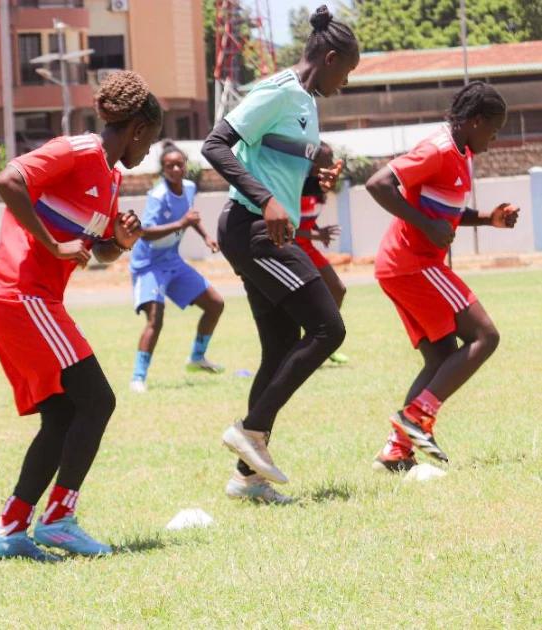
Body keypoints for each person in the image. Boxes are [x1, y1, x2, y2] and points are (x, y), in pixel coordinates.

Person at [0, 70, 160, 561]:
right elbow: (8, 180)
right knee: (98, 401)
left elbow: (97, 251)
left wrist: (118, 242)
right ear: (139, 128)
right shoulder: (79, 150)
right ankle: (58, 519)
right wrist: (51, 242)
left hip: (33, 301)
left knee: (63, 415)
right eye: (150, 141)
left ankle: (10, 530)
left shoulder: (112, 177)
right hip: (21, 295)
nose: (147, 153)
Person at [201, 5, 357, 504]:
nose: (346, 83)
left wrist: (315, 178)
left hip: (269, 228)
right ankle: (252, 430)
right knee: (328, 328)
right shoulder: (277, 91)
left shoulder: (308, 103)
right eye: (346, 72)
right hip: (251, 226)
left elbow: (272, 159)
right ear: (329, 57)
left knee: (281, 343)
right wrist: (267, 199)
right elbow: (217, 144)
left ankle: (246, 478)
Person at [367, 82, 517, 472]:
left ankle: (396, 451)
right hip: (413, 263)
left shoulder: (461, 153)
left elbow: (444, 211)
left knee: (442, 358)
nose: (494, 139)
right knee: (486, 335)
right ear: (475, 121)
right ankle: (416, 419)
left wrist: (489, 218)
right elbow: (378, 184)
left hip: (405, 266)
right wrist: (426, 226)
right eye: (493, 130)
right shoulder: (437, 148)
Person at [129, 140, 225, 393]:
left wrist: (205, 235)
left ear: (185, 166)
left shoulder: (190, 188)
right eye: (169, 166)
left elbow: (189, 216)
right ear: (163, 169)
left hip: (172, 260)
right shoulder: (158, 196)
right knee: (155, 319)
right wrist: (183, 223)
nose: (174, 169)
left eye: (178, 164)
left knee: (215, 303)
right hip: (149, 264)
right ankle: (138, 378)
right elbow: (145, 232)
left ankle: (197, 357)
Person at [293, 141, 349, 365]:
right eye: (326, 158)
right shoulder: (295, 187)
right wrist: (315, 235)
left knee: (338, 289)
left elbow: (306, 222)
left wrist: (317, 232)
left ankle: (325, 343)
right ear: (312, 162)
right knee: (300, 302)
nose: (331, 161)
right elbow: (285, 226)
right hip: (291, 247)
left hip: (307, 246)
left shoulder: (318, 191)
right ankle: (304, 348)